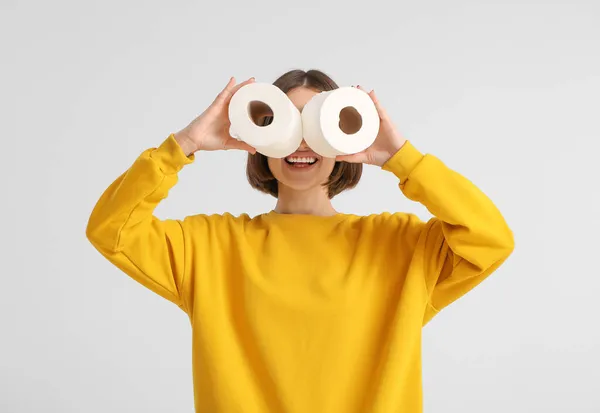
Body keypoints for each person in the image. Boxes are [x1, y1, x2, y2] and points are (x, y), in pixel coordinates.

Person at [86, 69, 514, 413]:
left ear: (346, 134)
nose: (302, 141)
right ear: (259, 141)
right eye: (281, 123)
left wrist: (403, 159)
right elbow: (112, 229)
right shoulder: (212, 247)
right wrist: (185, 144)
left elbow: (489, 238)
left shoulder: (401, 246)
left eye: (318, 124)